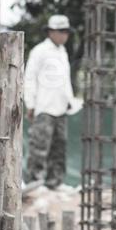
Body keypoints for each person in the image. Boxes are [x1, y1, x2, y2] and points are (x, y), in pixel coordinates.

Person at [24, 14, 82, 192]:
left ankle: (54, 182)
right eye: (61, 31)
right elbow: (29, 78)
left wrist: (70, 100)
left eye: (66, 31)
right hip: (44, 107)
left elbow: (64, 81)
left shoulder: (62, 52)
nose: (64, 35)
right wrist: (30, 104)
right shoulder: (39, 51)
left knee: (59, 147)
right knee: (39, 147)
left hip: (61, 108)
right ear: (51, 32)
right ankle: (35, 182)